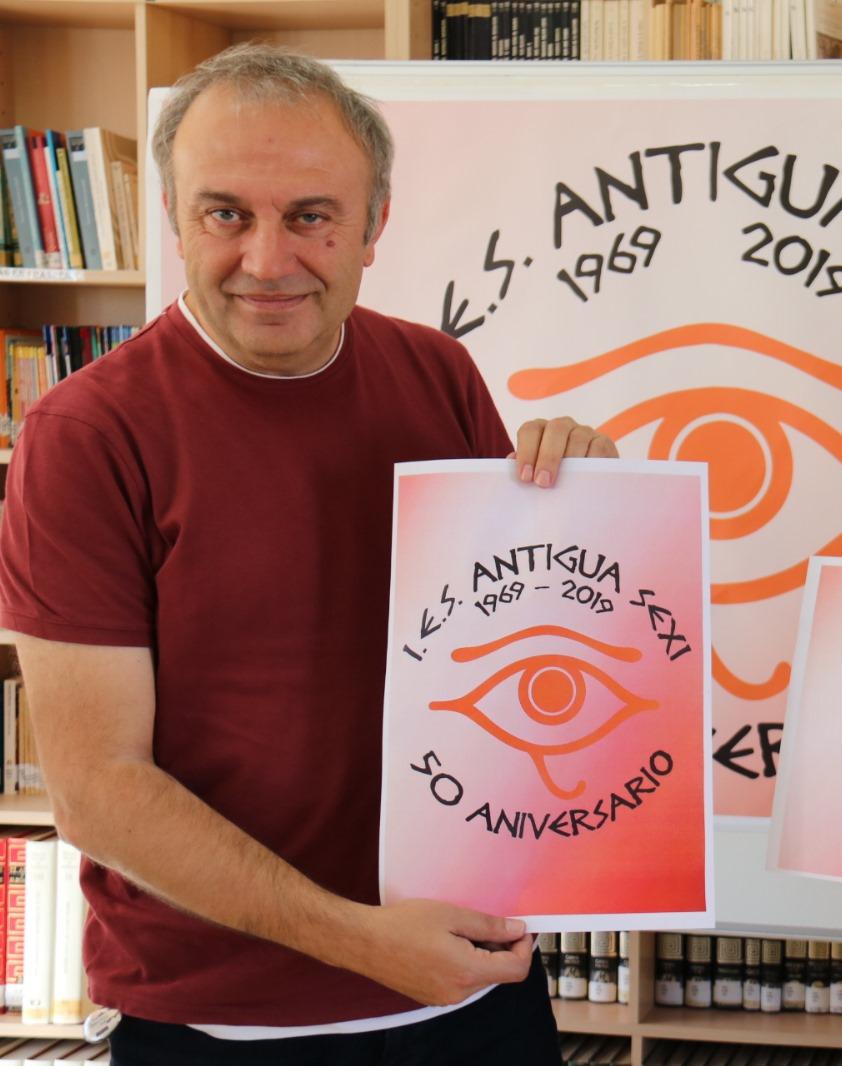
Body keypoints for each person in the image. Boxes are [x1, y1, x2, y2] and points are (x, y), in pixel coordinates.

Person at [0, 43, 617, 1063]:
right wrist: (362, 942)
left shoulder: (436, 372)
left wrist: (595, 511)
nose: (266, 260)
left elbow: (514, 644)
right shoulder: (87, 435)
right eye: (225, 213)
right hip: (223, 1025)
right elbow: (99, 790)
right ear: (174, 216)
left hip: (473, 990)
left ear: (373, 225)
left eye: (311, 216)